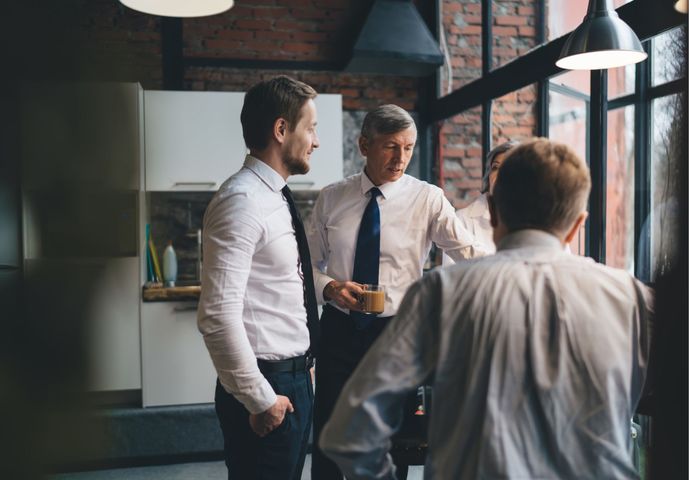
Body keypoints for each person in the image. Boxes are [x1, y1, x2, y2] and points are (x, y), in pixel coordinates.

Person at [319, 138, 654, 479]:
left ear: (493, 212)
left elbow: (349, 433)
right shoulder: (630, 297)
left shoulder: (442, 292)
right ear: (578, 224)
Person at [307, 104, 488, 479]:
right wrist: (330, 288)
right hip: (339, 331)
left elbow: (468, 253)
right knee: (329, 432)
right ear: (364, 145)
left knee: (392, 440)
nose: (400, 157)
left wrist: (527, 261)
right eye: (391, 146)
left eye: (408, 147)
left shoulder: (428, 199)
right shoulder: (331, 198)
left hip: (398, 335)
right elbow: (305, 266)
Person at [197, 75, 321, 480]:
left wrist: (303, 365)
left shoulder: (273, 196)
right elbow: (217, 316)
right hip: (267, 387)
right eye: (311, 128)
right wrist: (260, 399)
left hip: (290, 378)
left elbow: (283, 287)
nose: (315, 141)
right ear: (281, 130)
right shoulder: (242, 201)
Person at [443, 140, 519, 263]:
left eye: (508, 168)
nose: (499, 175)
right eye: (495, 167)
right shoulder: (461, 220)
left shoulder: (532, 220)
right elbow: (450, 276)